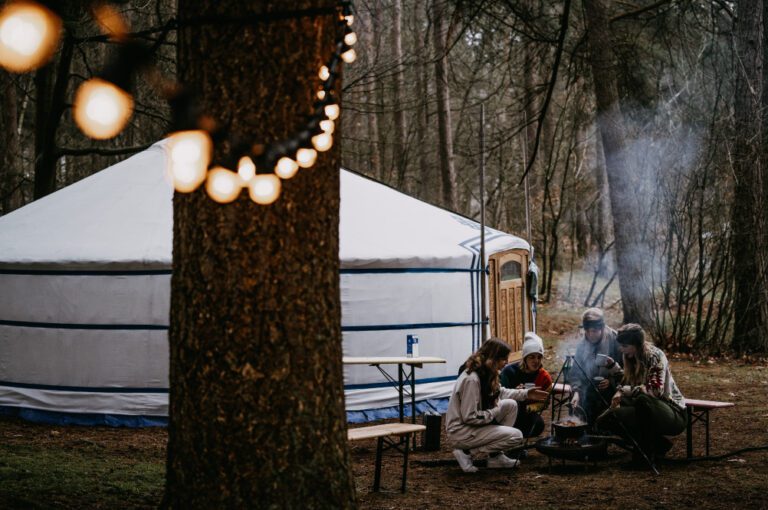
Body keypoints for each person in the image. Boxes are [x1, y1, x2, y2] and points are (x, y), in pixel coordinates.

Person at [446, 337, 549, 473]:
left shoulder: (485, 371)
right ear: (493, 358)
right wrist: (494, 411)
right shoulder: (472, 380)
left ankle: (495, 457)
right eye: (503, 359)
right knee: (516, 436)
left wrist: (526, 394)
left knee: (511, 406)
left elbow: (501, 392)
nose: (506, 363)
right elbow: (470, 417)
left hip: (471, 426)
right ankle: (466, 452)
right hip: (461, 430)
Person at [596, 323, 687, 466]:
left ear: (636, 344)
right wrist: (613, 367)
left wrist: (622, 391)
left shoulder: (654, 356)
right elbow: (630, 382)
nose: (621, 349)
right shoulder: (631, 357)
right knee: (607, 419)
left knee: (642, 400)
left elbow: (654, 391)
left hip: (672, 411)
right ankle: (659, 444)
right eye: (621, 346)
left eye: (625, 346)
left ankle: (643, 457)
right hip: (645, 406)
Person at [568, 308, 623, 427]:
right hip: (588, 387)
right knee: (577, 404)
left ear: (602, 328)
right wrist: (576, 391)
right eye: (587, 331)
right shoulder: (583, 344)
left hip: (612, 389)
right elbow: (575, 372)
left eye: (593, 331)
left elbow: (626, 372)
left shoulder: (615, 341)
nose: (589, 334)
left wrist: (611, 381)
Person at [499, 332, 553, 438]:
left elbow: (545, 403)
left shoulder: (544, 376)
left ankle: (517, 441)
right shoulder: (509, 372)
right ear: (525, 358)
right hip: (506, 412)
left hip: (527, 412)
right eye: (532, 357)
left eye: (539, 357)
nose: (536, 361)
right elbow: (500, 397)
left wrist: (527, 408)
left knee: (538, 424)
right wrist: (517, 393)